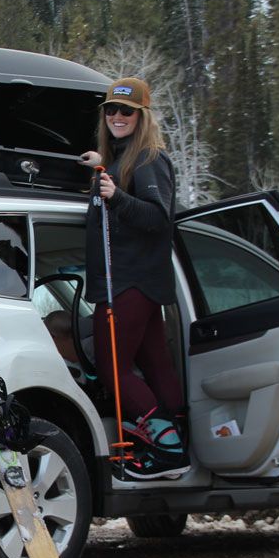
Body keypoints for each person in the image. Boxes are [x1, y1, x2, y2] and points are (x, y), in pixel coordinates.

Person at [78, 77, 189, 479]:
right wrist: (102, 167)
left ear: (142, 116)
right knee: (155, 363)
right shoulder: (124, 159)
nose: (117, 117)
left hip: (128, 284)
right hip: (128, 282)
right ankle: (175, 442)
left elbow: (160, 219)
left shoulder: (148, 159)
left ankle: (168, 447)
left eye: (127, 111)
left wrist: (116, 196)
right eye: (111, 110)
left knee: (114, 369)